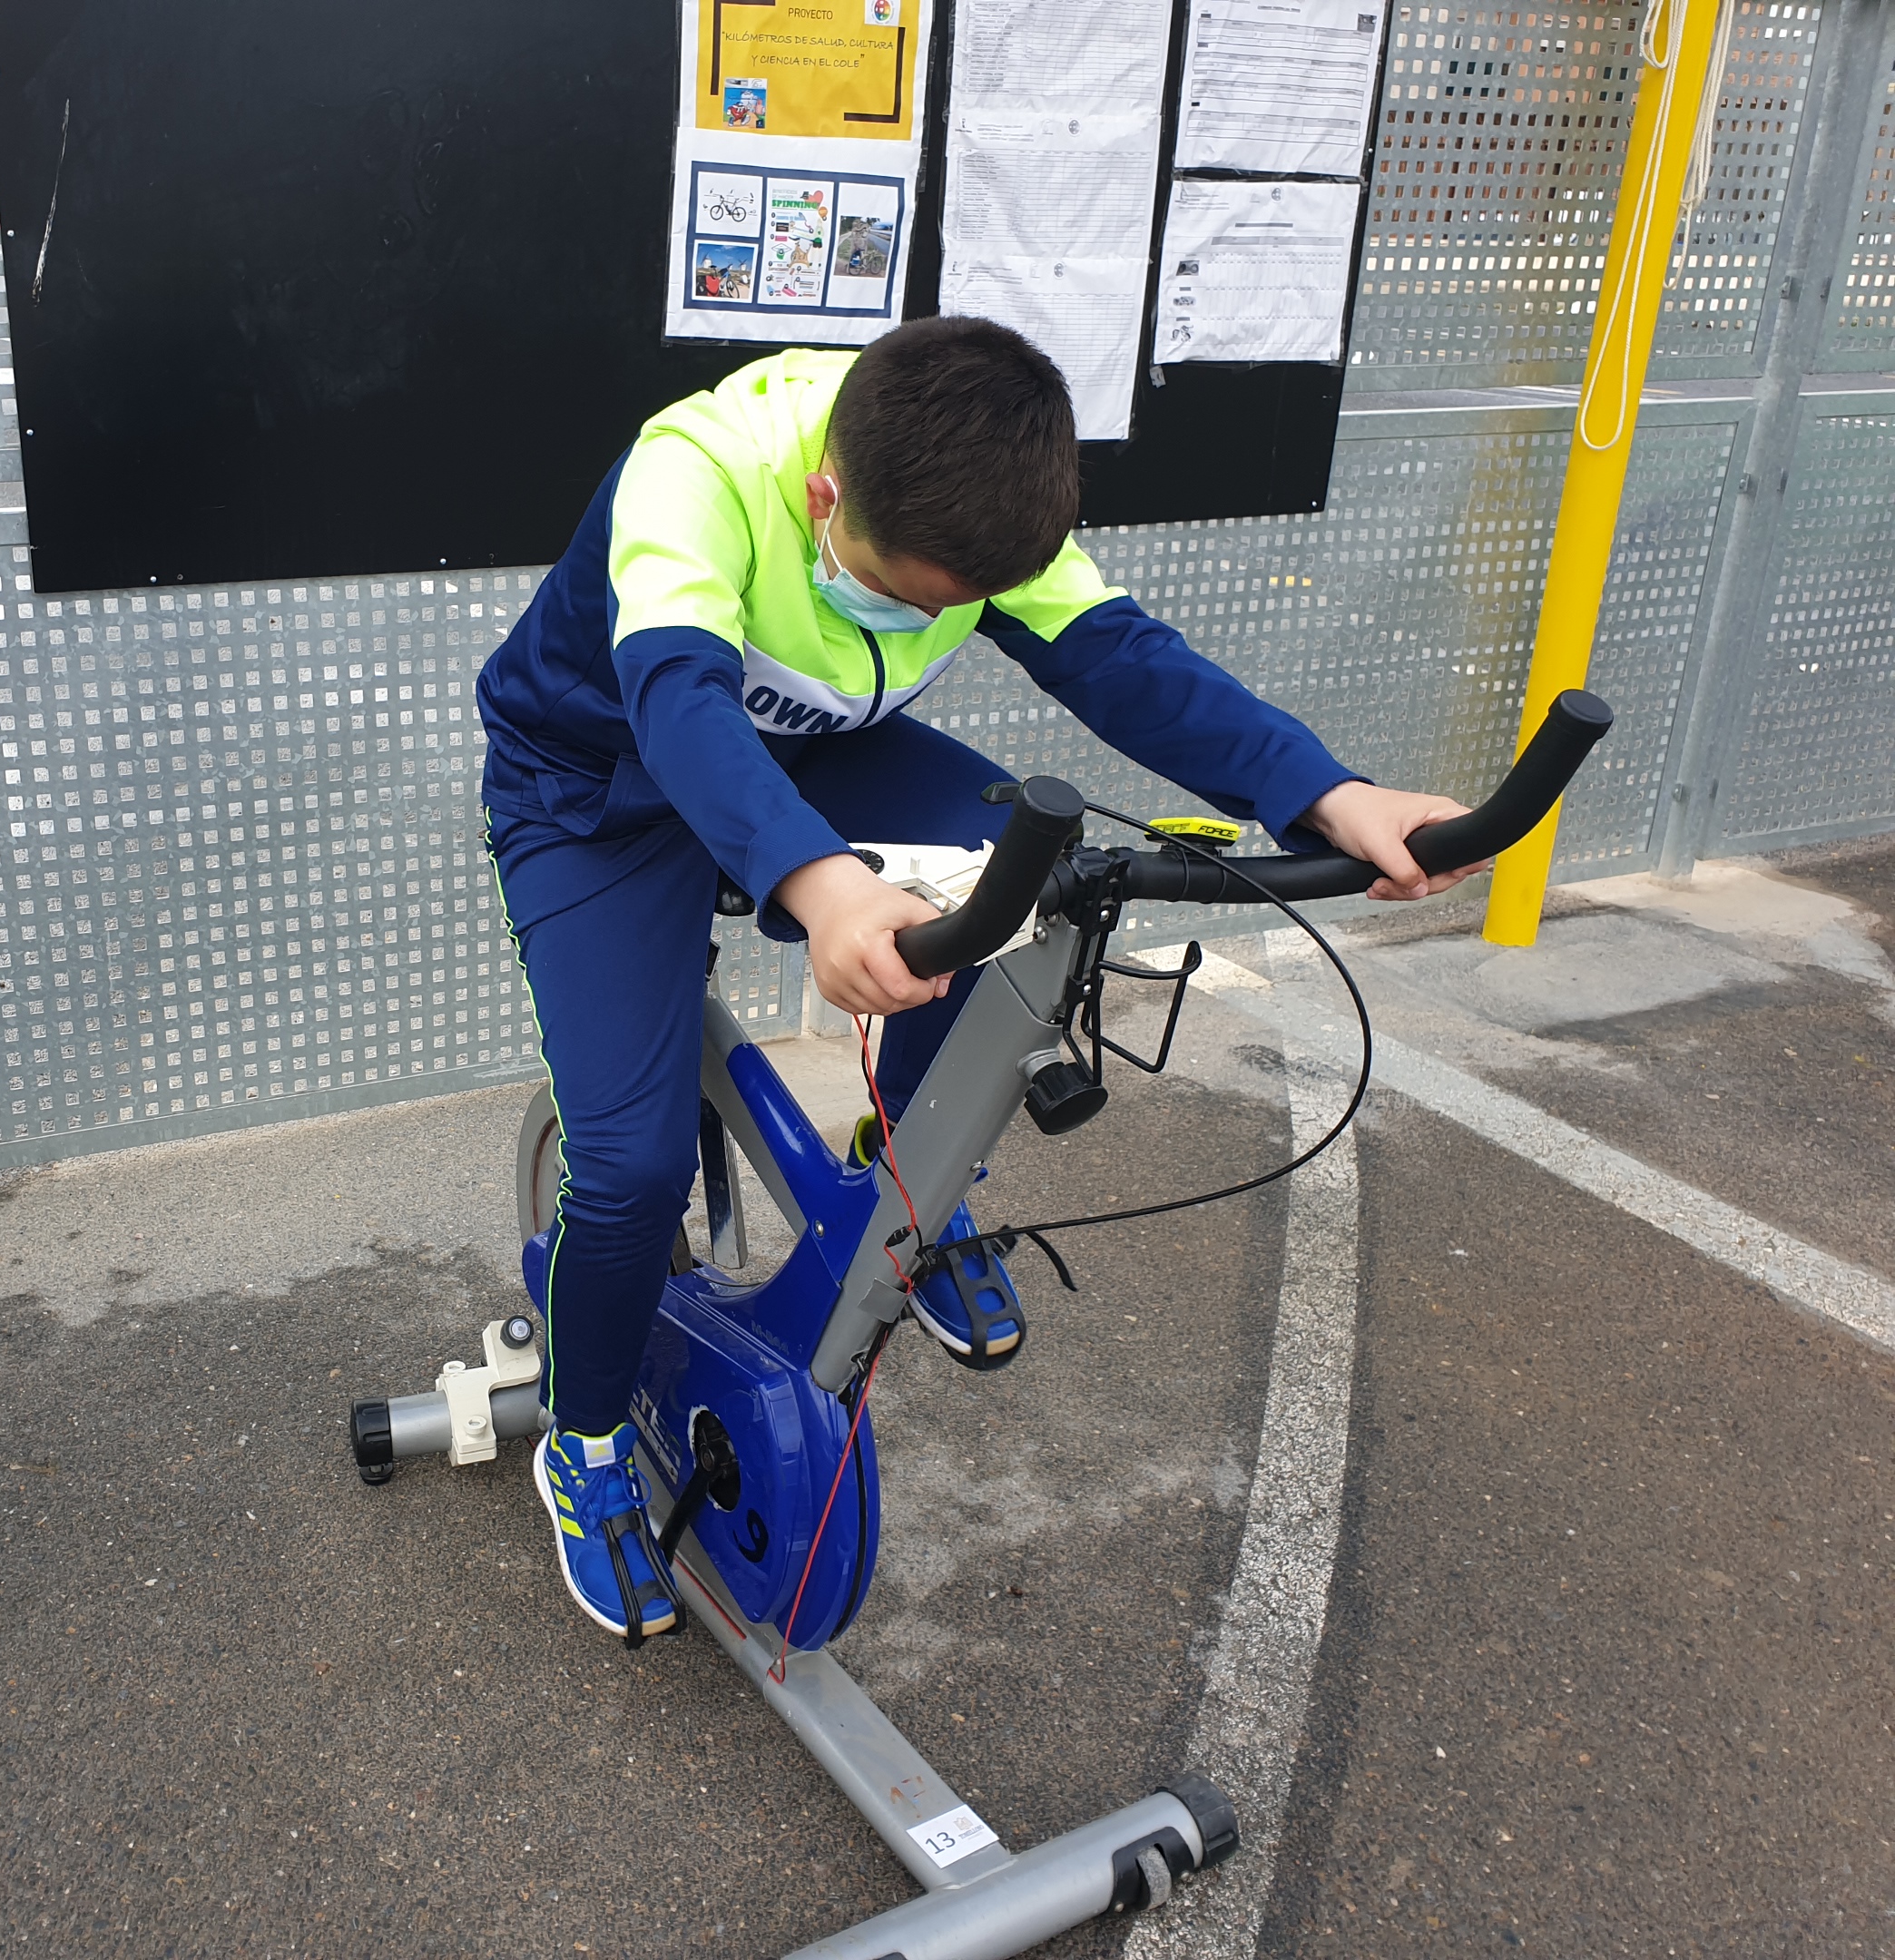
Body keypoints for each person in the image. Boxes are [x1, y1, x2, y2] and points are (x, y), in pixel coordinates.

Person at [475, 318, 1473, 1641]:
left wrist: (1328, 795)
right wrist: (818, 884)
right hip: (597, 786)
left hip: (815, 756)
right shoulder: (699, 469)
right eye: (909, 592)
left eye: (959, 606)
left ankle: (903, 1181)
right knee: (631, 1168)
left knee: (1031, 884)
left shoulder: (977, 493)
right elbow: (677, 701)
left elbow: (1126, 663)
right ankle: (586, 1442)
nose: (931, 619)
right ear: (826, 497)